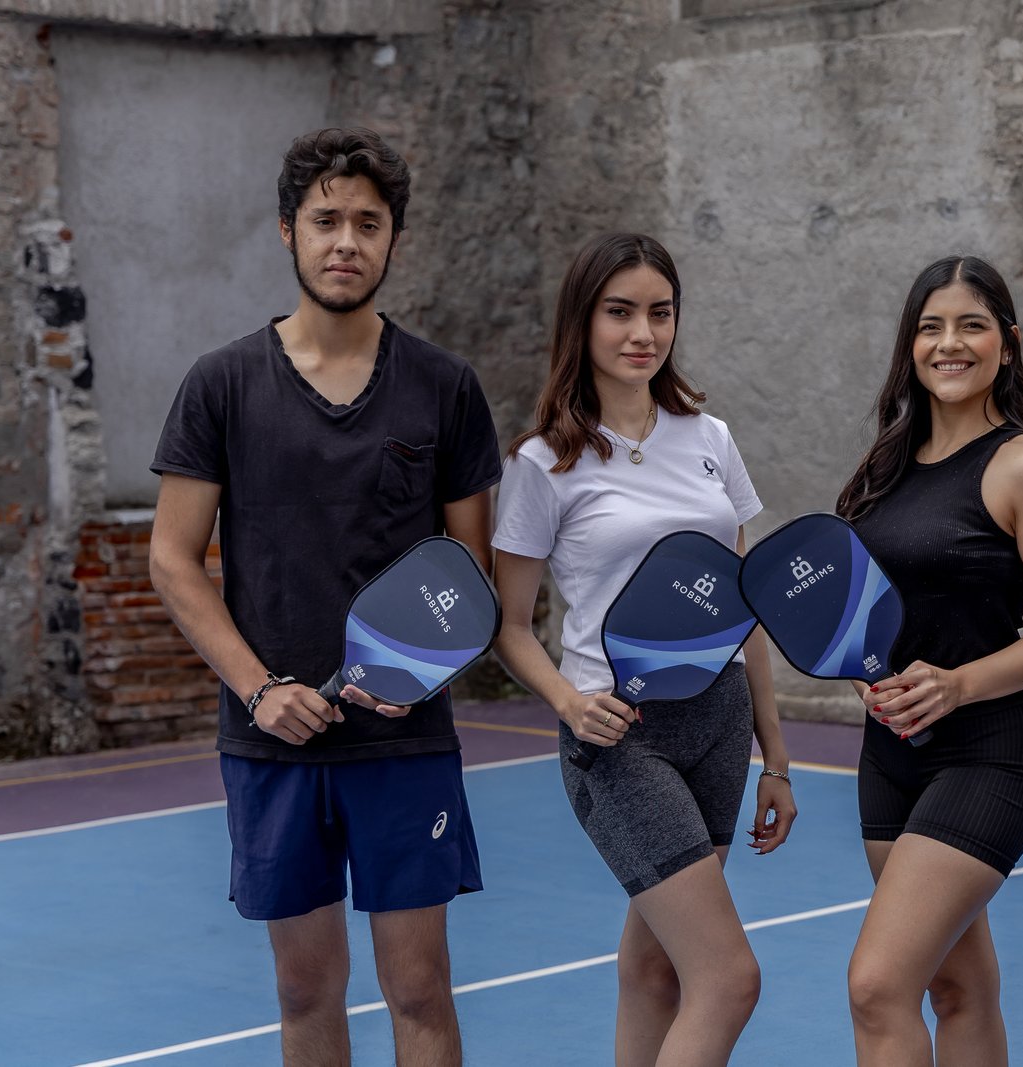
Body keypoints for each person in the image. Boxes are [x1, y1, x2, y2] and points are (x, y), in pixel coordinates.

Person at [149, 127, 500, 1066]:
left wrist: (423, 674)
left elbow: (470, 577)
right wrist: (261, 689)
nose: (346, 241)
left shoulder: (445, 386)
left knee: (419, 988)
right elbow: (172, 560)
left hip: (404, 745)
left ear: (394, 241)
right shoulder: (221, 384)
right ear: (288, 230)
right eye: (326, 220)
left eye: (368, 224)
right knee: (305, 989)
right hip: (274, 744)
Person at [490, 232, 796, 1067]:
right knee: (727, 978)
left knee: (654, 968)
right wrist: (568, 703)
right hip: (620, 733)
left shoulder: (709, 436)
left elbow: (743, 601)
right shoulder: (542, 462)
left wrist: (775, 753)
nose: (643, 333)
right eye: (620, 312)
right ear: (582, 322)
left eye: (660, 313)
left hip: (720, 720)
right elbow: (509, 625)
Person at [835, 256, 1023, 1066]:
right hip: (889, 755)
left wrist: (958, 684)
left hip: (986, 754)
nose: (949, 343)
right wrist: (860, 664)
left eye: (971, 325)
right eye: (931, 327)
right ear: (910, 346)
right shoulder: (885, 466)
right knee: (957, 987)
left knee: (877, 986)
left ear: (1006, 344)